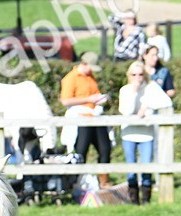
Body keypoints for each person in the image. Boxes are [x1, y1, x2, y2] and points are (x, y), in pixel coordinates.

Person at [118, 60, 172, 205]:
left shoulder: (151, 88)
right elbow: (126, 111)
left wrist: (147, 107)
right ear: (129, 75)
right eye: (134, 74)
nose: (137, 77)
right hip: (129, 133)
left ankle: (146, 199)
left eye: (141, 74)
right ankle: (133, 199)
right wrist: (135, 93)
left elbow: (166, 102)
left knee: (147, 164)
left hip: (146, 134)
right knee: (131, 166)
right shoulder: (125, 90)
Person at [60, 52, 112, 188]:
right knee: (81, 151)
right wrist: (88, 100)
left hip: (95, 117)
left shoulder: (90, 77)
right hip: (81, 119)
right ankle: (74, 183)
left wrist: (99, 99)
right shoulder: (71, 78)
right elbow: (65, 100)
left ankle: (104, 181)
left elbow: (93, 93)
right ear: (84, 64)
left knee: (105, 149)